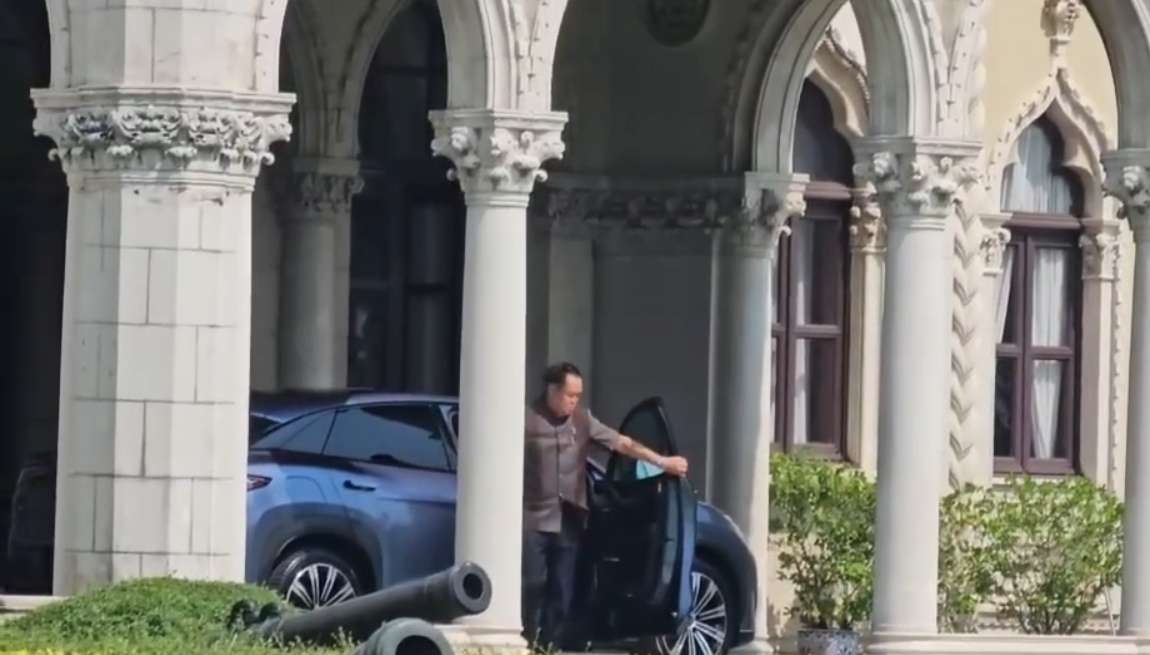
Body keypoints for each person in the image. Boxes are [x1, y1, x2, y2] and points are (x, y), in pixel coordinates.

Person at [521, 362, 689, 650]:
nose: (574, 401)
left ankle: (547, 646)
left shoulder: (582, 420)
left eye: (578, 396)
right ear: (552, 390)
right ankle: (523, 640)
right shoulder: (527, 419)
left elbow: (622, 444)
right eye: (570, 395)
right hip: (533, 518)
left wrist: (662, 462)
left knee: (562, 590)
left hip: (569, 520)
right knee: (533, 585)